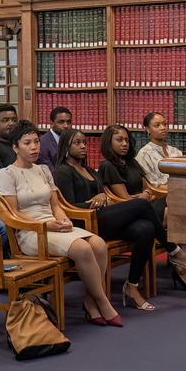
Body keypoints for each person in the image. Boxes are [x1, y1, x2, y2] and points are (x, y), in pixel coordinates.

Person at [0, 122, 121, 325]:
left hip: (53, 224)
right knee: (82, 248)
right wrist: (46, 227)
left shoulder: (44, 170)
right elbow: (13, 214)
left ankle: (90, 301)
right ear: (15, 147)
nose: (34, 147)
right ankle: (102, 301)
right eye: (27, 143)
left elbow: (56, 205)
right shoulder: (6, 174)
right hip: (31, 232)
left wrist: (62, 219)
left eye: (36, 141)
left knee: (98, 244)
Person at [52, 129, 163, 310]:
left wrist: (103, 197)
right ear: (65, 146)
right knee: (142, 205)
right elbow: (67, 207)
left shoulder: (89, 169)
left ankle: (132, 286)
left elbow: (103, 195)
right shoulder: (63, 172)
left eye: (84, 143)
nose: (83, 147)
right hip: (86, 224)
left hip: (103, 218)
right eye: (77, 143)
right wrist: (93, 203)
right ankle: (173, 250)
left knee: (146, 228)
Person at [100, 124, 186, 289]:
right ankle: (178, 258)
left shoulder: (132, 162)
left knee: (179, 204)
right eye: (119, 140)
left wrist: (147, 196)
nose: (124, 144)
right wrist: (145, 197)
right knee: (173, 214)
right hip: (131, 212)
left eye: (127, 140)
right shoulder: (108, 166)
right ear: (108, 142)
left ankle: (178, 258)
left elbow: (149, 187)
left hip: (145, 207)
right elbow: (125, 200)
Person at [135, 112, 183, 188]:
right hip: (162, 194)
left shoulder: (176, 151)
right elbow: (152, 185)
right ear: (148, 129)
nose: (163, 128)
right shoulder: (144, 154)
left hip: (181, 189)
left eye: (164, 124)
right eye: (157, 125)